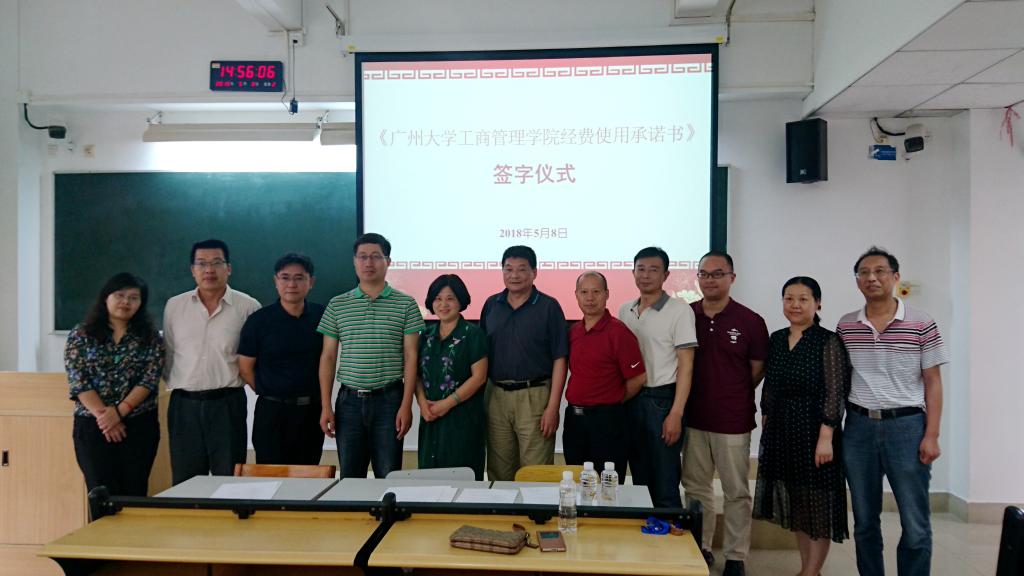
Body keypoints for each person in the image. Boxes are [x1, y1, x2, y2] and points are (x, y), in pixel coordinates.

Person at [838, 247, 949, 576]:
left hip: (907, 427)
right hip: (858, 428)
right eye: (864, 273)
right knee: (864, 522)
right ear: (857, 280)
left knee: (915, 523)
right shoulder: (847, 325)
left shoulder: (921, 322)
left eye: (880, 271)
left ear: (895, 277)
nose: (871, 278)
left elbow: (933, 382)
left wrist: (932, 435)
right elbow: (841, 380)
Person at [753, 276, 851, 576]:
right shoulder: (777, 339)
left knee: (817, 503)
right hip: (782, 429)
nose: (795, 305)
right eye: (789, 298)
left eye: (803, 299)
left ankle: (811, 571)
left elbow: (835, 392)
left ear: (817, 304)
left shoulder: (828, 341)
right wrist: (766, 418)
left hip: (815, 430)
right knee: (797, 500)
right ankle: (807, 568)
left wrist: (826, 435)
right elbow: (770, 385)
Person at [684, 250, 769, 576]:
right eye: (704, 274)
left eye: (717, 274)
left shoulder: (750, 321)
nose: (710, 280)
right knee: (696, 489)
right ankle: (700, 547)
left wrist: (730, 393)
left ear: (732, 278)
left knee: (735, 492)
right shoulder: (687, 315)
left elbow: (756, 370)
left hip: (732, 421)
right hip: (694, 418)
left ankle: (736, 555)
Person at [318, 233, 425, 478]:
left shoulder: (406, 304)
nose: (369, 263)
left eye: (376, 256)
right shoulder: (337, 304)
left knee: (388, 475)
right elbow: (328, 357)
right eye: (362, 257)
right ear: (354, 261)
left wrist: (406, 405)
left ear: (388, 261)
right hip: (349, 403)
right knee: (350, 477)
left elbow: (411, 357)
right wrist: (326, 406)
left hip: (389, 401)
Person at [164, 239, 260, 485]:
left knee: (228, 480)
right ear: (192, 270)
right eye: (202, 263)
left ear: (229, 268)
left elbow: (256, 359)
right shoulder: (174, 306)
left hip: (227, 405)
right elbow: (170, 353)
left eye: (216, 263)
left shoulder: (248, 307)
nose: (209, 269)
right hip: (184, 406)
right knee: (185, 483)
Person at [65, 273, 164, 496]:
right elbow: (78, 380)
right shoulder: (81, 334)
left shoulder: (150, 338)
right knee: (100, 493)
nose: (126, 302)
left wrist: (118, 413)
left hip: (138, 425)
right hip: (93, 426)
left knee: (134, 492)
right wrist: (106, 418)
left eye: (133, 297)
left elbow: (149, 379)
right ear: (106, 297)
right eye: (120, 295)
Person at [479, 245, 569, 481]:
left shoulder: (549, 307)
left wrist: (553, 407)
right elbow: (481, 356)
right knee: (499, 471)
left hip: (535, 396)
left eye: (521, 269)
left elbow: (560, 358)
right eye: (508, 269)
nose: (514, 275)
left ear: (534, 273)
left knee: (535, 473)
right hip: (496, 396)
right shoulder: (491, 305)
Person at [618, 247, 697, 508]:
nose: (646, 275)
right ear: (633, 273)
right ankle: (647, 531)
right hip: (631, 400)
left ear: (666, 275)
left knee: (665, 481)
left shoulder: (679, 311)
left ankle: (670, 533)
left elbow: (686, 366)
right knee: (640, 480)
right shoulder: (625, 310)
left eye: (654, 270)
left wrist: (676, 413)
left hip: (662, 401)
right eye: (640, 269)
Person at [238, 253, 326, 465]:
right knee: (271, 475)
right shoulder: (259, 320)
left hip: (311, 411)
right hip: (272, 412)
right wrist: (271, 390)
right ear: (275, 281)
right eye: (285, 278)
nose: (291, 284)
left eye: (299, 278)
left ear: (311, 282)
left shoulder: (323, 316)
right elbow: (245, 367)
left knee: (308, 473)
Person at [563, 272, 646, 479]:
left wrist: (612, 399)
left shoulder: (618, 332)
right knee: (576, 481)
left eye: (596, 292)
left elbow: (638, 378)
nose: (590, 298)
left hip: (608, 421)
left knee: (607, 484)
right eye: (584, 292)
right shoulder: (573, 331)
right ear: (576, 295)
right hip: (574, 420)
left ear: (607, 294)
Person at [415, 274, 489, 479]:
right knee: (430, 481)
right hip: (430, 418)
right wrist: (422, 403)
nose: (443, 304)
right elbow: (416, 375)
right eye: (438, 299)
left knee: (462, 479)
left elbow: (479, 377)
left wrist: (446, 404)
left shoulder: (473, 334)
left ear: (460, 300)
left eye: (450, 298)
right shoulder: (425, 336)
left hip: (462, 419)